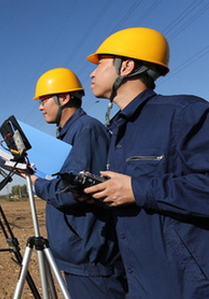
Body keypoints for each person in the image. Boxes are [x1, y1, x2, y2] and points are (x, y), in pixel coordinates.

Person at [85, 27, 209, 297]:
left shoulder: (185, 112)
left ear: (126, 66)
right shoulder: (118, 130)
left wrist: (139, 190)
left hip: (185, 286)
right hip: (140, 282)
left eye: (100, 64)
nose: (92, 73)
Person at [29, 68, 127, 298]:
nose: (40, 107)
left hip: (92, 262)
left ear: (63, 98)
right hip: (78, 257)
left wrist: (35, 182)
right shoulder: (69, 134)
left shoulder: (86, 130)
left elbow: (71, 191)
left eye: (43, 100)